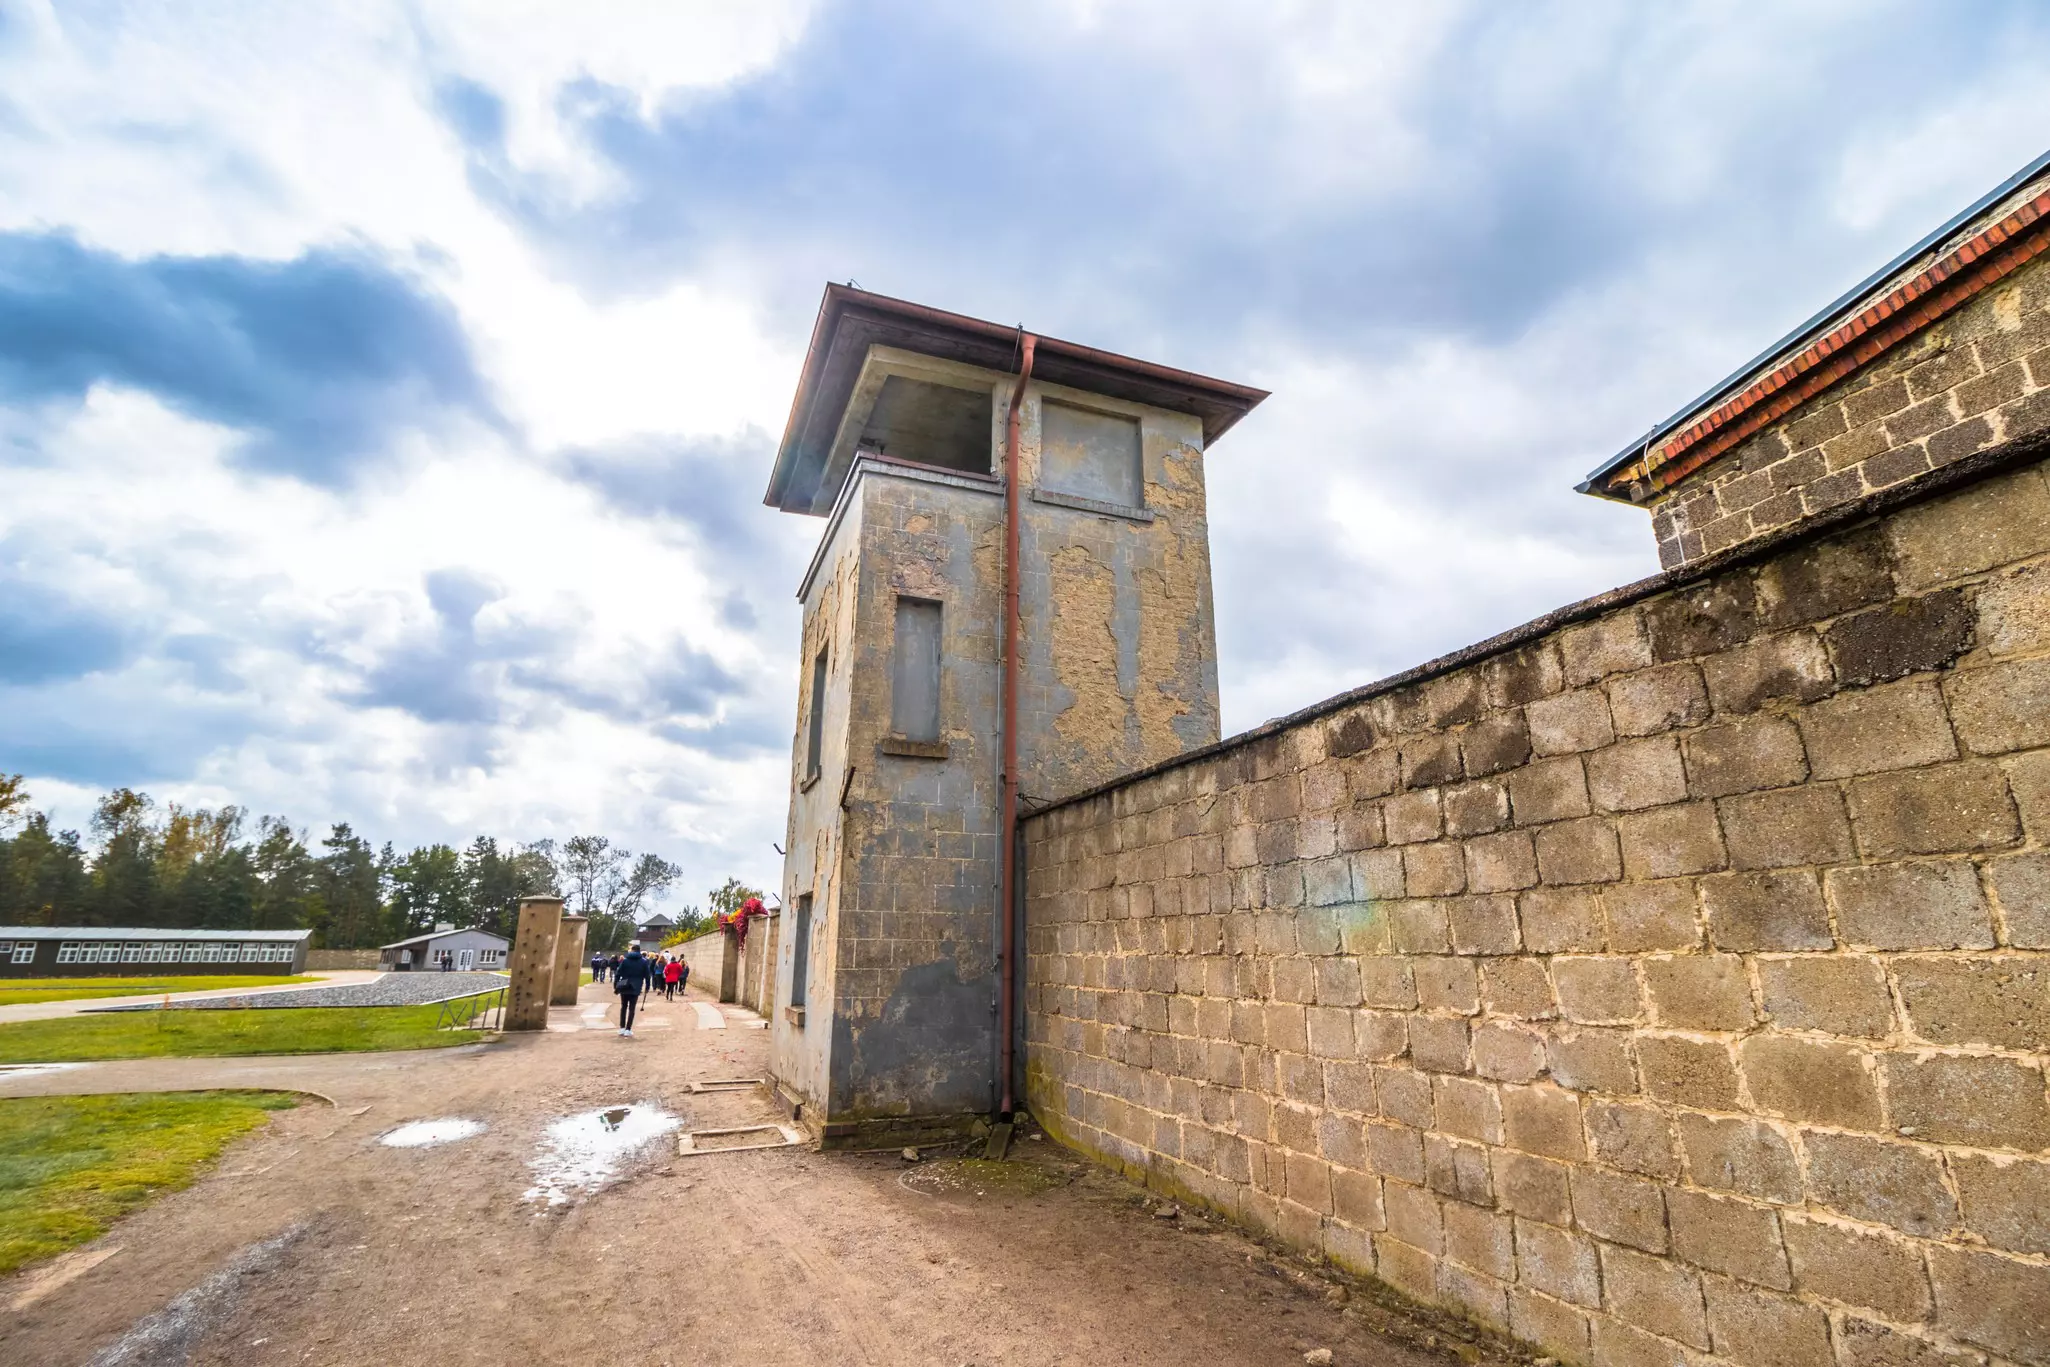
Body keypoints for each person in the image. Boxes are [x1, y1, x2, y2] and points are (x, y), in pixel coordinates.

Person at [613, 941, 652, 1037]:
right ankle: (628, 1029)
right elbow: (647, 976)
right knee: (632, 1008)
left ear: (632, 950)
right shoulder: (643, 962)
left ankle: (622, 1028)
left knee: (623, 1007)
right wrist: (647, 986)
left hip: (624, 984)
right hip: (636, 985)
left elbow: (618, 973)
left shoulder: (625, 960)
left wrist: (616, 985)